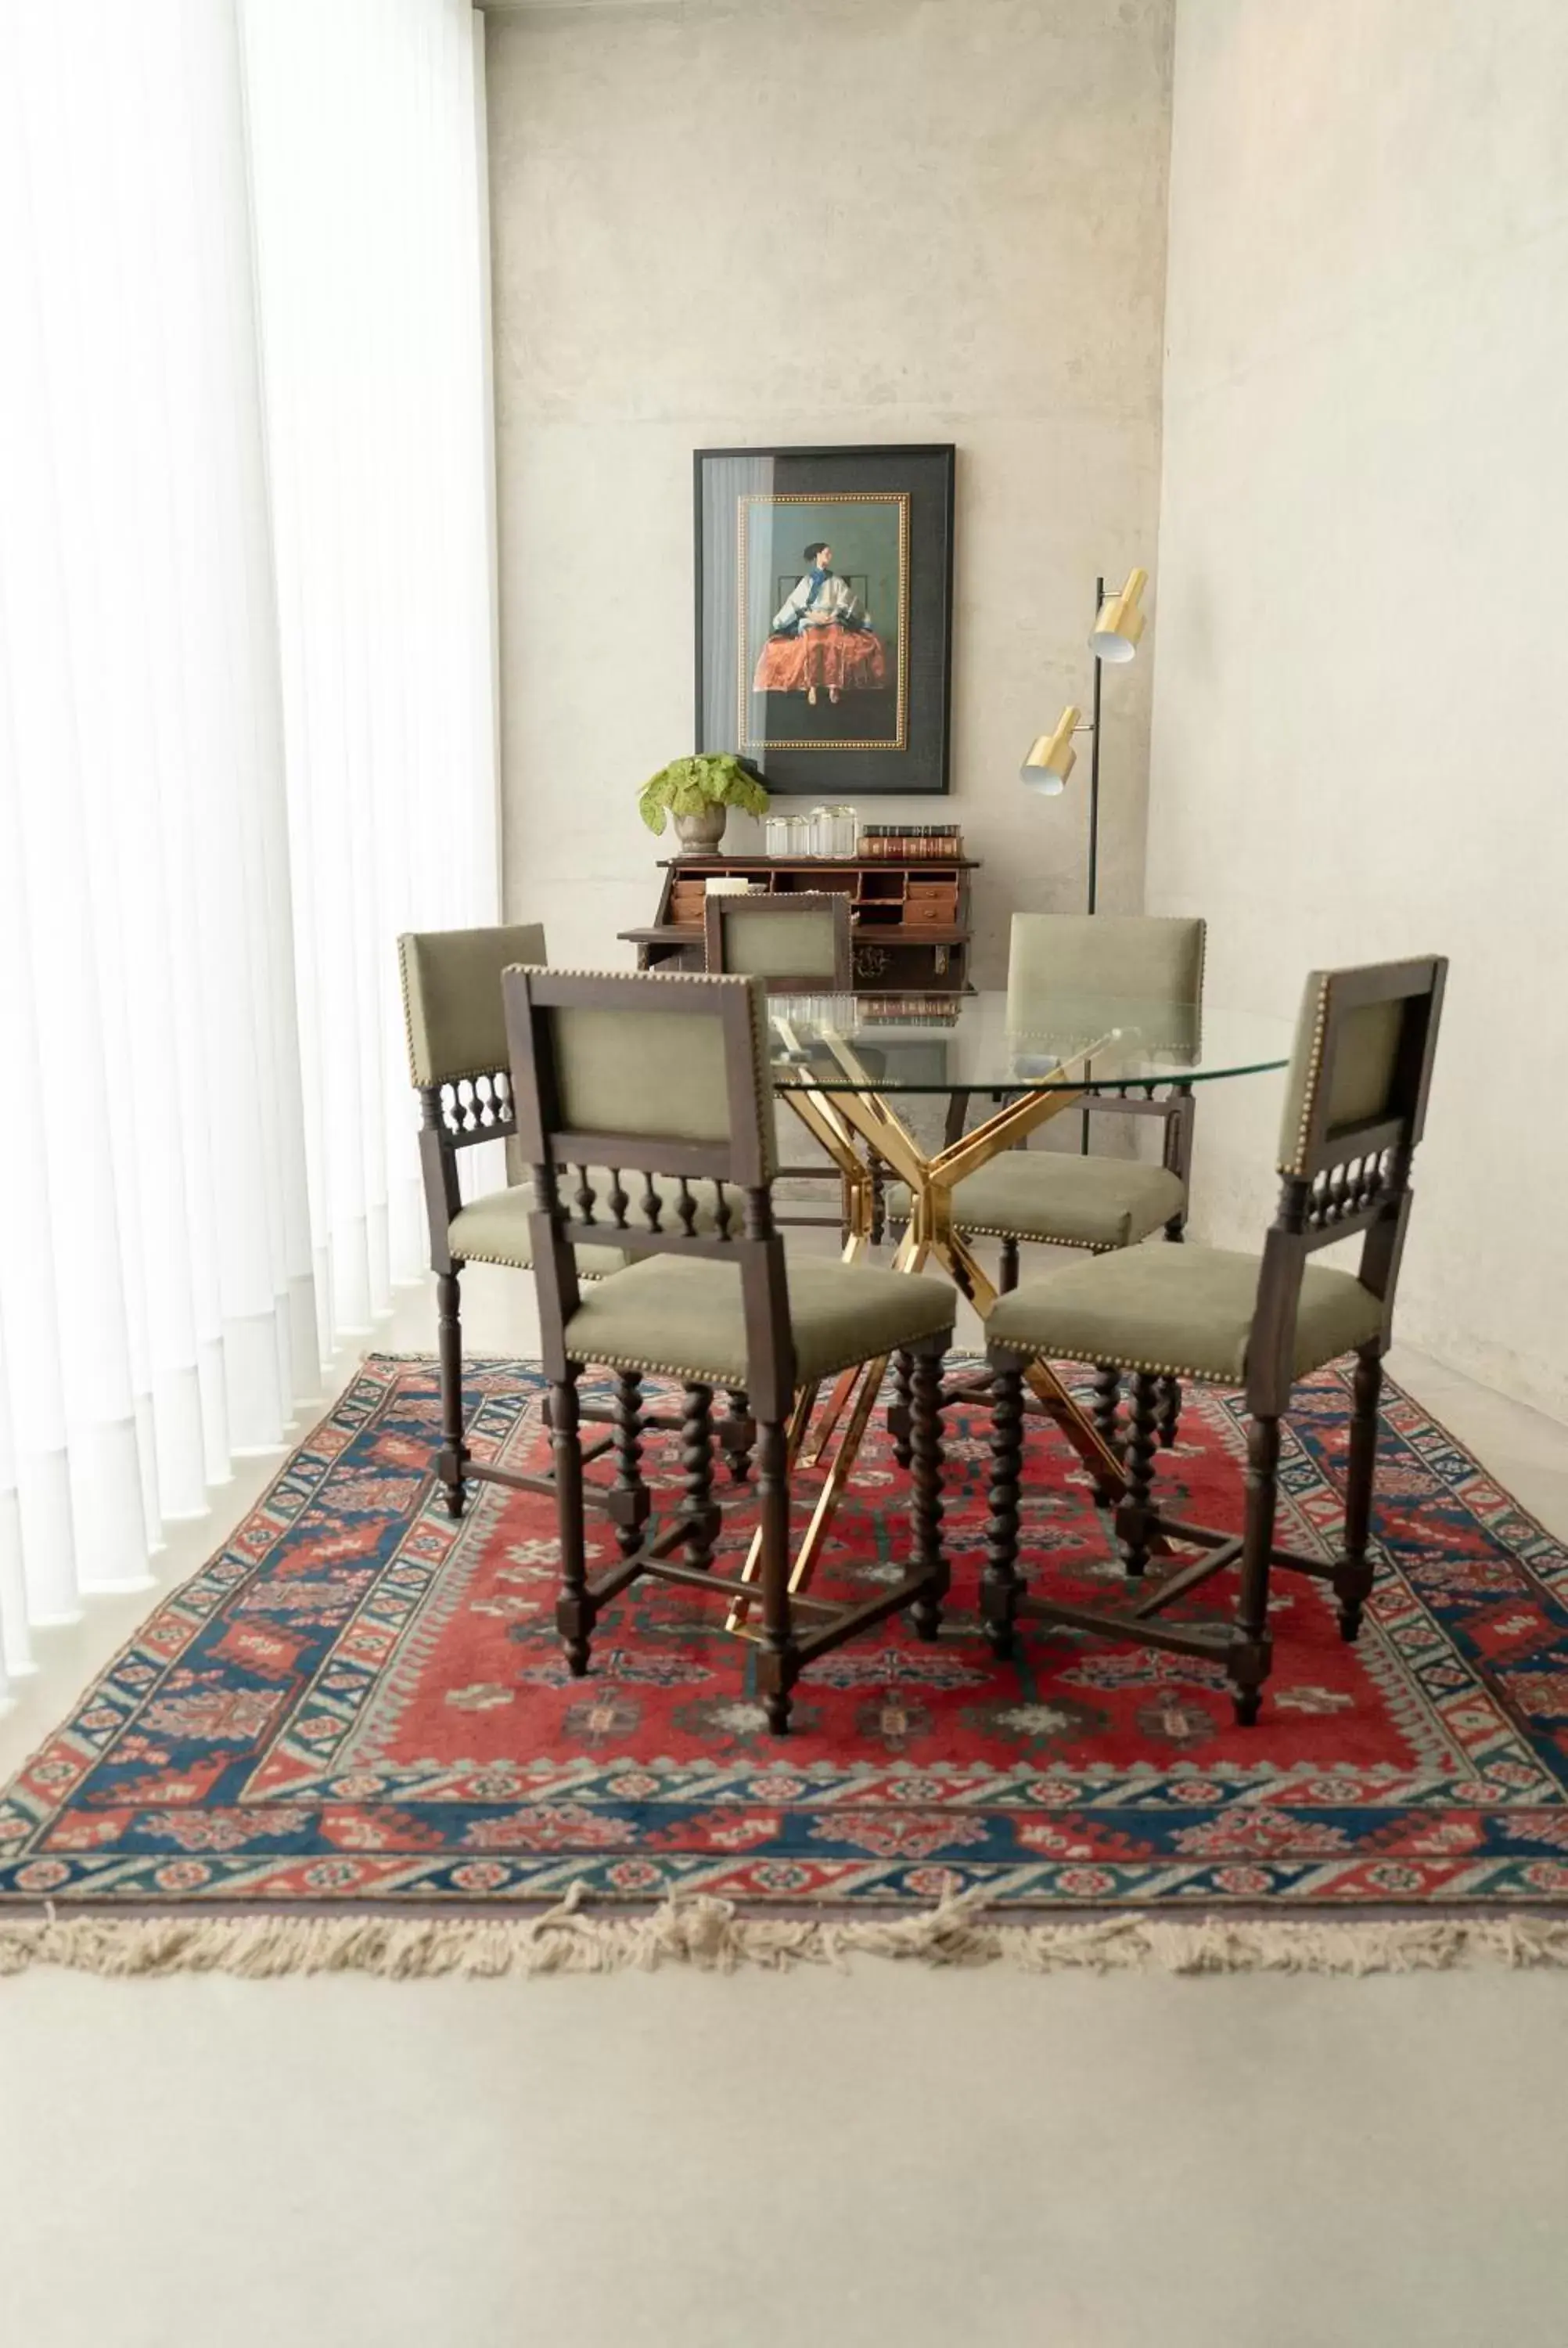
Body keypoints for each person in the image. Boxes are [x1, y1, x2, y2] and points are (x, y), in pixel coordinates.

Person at [751, 542, 887, 705]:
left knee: (834, 641)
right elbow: (796, 603)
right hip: (811, 619)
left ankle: (833, 685)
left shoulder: (836, 581)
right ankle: (812, 686)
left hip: (832, 619)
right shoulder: (807, 581)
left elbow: (846, 602)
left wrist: (832, 616)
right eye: (826, 553)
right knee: (813, 643)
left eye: (830, 554)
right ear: (818, 555)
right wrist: (813, 616)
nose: (829, 557)